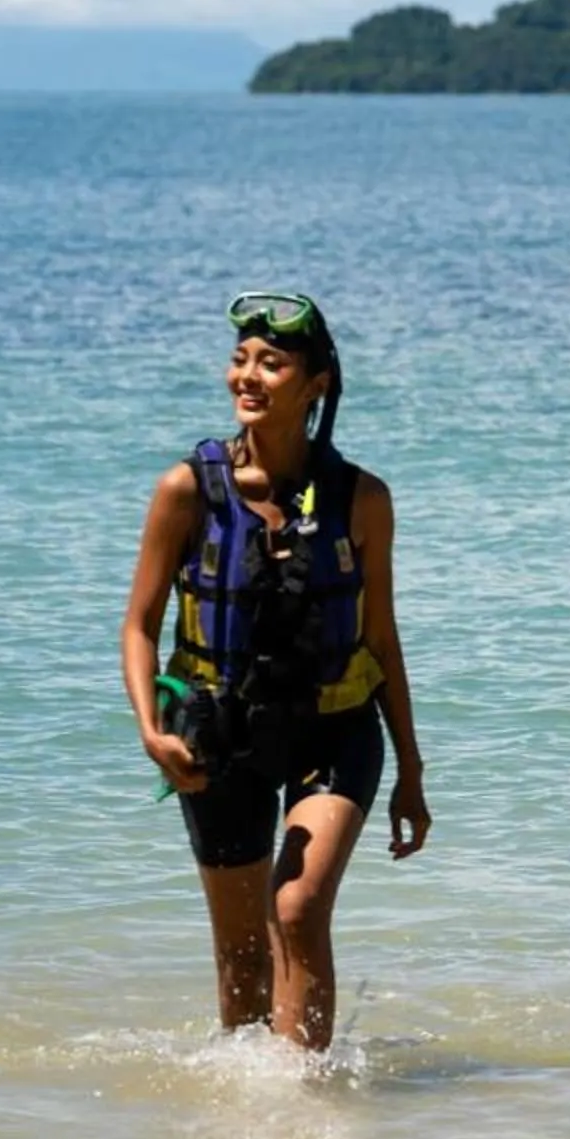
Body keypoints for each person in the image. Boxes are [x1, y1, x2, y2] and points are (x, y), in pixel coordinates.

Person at [119, 291, 430, 1052]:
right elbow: (139, 626)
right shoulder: (187, 491)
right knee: (242, 954)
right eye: (239, 360)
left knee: (295, 909)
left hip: (335, 728)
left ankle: (312, 1105)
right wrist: (152, 732)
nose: (247, 377)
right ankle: (252, 1129)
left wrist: (412, 773)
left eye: (272, 363)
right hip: (218, 739)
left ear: (316, 383)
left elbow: (381, 638)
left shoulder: (362, 498)